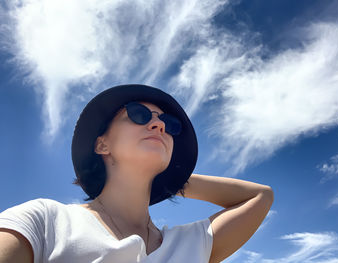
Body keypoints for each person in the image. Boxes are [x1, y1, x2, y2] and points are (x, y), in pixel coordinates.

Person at [0, 84, 273, 263]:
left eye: (168, 122)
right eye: (139, 114)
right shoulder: (45, 221)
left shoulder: (191, 245)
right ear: (101, 144)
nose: (158, 125)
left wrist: (170, 179)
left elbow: (260, 196)